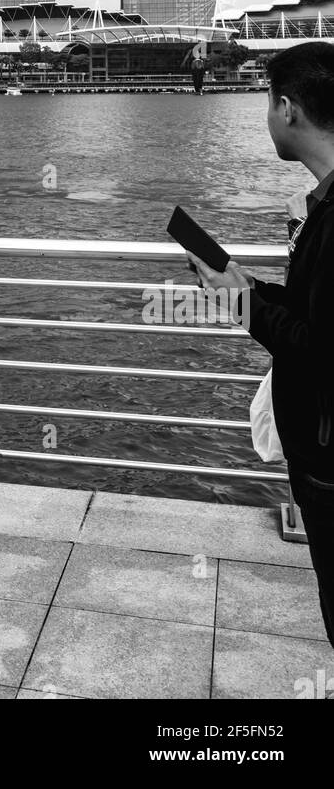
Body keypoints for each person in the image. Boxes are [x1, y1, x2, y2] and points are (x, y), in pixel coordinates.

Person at [189, 42, 334, 654]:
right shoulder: (324, 201)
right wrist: (249, 286)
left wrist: (239, 303)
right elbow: (315, 311)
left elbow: (321, 349)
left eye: (266, 106)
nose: (266, 120)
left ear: (287, 107)